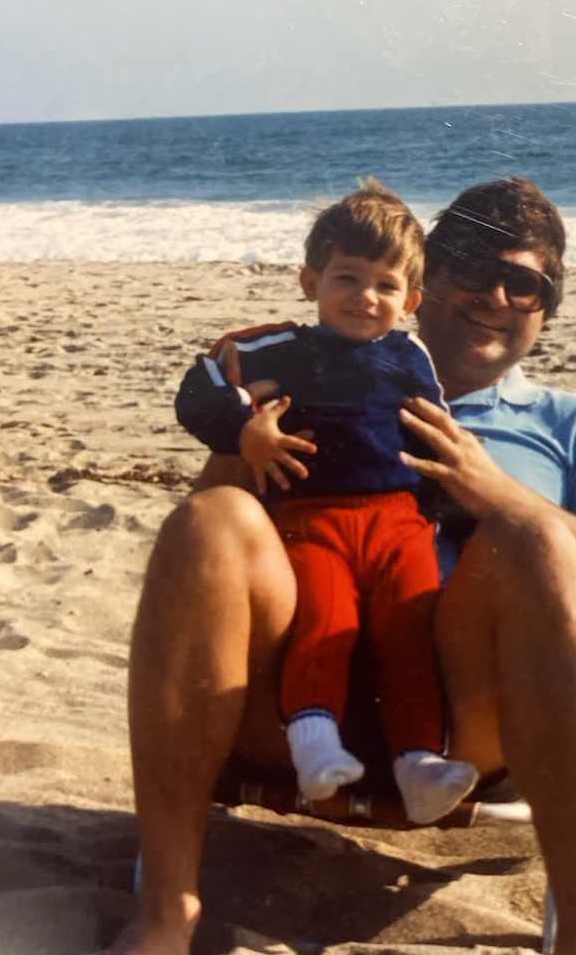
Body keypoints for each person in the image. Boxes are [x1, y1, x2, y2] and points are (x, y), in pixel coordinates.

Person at [110, 176, 576, 955]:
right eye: (469, 266)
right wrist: (245, 433)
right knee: (207, 516)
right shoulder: (301, 378)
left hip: (464, 728)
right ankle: (166, 914)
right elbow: (202, 559)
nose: (493, 293)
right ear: (425, 283)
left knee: (535, 541)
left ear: (545, 309)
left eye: (522, 282)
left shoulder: (573, 426)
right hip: (284, 704)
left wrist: (500, 498)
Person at [173, 181, 478, 825]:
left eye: (385, 285)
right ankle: (314, 747)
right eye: (347, 277)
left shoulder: (411, 354)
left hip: (401, 524)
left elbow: (433, 436)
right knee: (325, 620)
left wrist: (454, 512)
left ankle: (418, 762)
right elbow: (198, 387)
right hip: (310, 519)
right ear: (310, 281)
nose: (365, 297)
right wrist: (244, 431)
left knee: (410, 633)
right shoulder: (278, 347)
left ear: (410, 300)